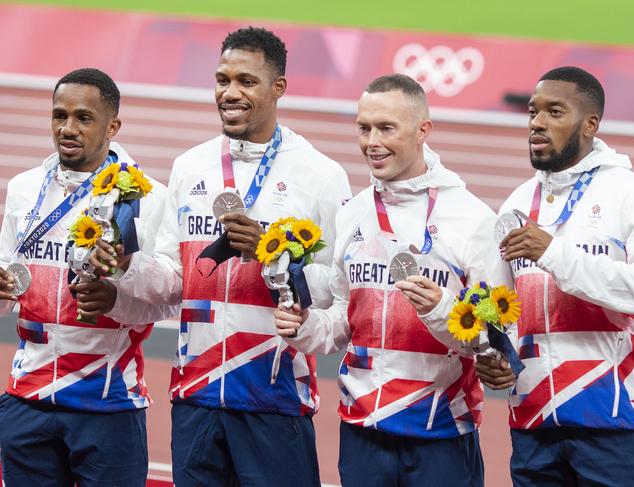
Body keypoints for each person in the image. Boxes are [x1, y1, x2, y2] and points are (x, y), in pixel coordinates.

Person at [92, 27, 351, 486]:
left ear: (278, 88)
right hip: (196, 396)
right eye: (222, 79)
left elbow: (336, 291)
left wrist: (275, 257)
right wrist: (127, 266)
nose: (230, 93)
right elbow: (174, 281)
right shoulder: (190, 166)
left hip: (276, 399)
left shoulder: (321, 176)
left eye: (246, 82)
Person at [274, 74, 512, 486]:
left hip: (440, 432)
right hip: (363, 429)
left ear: (423, 131)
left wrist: (442, 311)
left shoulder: (472, 220)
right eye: (364, 128)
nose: (372, 141)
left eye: (387, 128)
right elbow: (341, 322)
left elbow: (496, 338)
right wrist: (306, 326)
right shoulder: (353, 213)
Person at [476, 66, 634, 486]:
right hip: (533, 421)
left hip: (615, 421)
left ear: (590, 124)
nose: (537, 122)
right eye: (534, 112)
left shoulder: (632, 195)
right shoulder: (516, 203)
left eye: (555, 112)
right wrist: (498, 354)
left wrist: (554, 252)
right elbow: (504, 307)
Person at [0, 68, 168, 486]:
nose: (67, 129)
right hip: (28, 399)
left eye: (83, 118)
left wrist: (119, 294)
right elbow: (8, 289)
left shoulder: (148, 197)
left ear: (112, 126)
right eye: (59, 116)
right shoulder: (24, 188)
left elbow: (170, 295)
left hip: (107, 402)